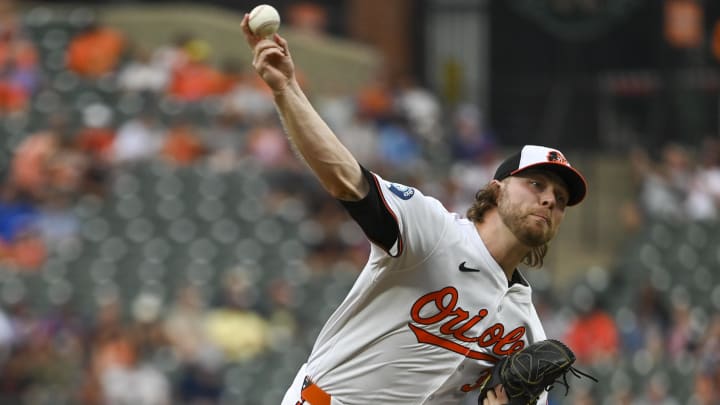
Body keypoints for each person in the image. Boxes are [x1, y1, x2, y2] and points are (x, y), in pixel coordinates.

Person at [241, 14, 588, 405]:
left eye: (560, 199)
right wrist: (287, 88)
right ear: (495, 191)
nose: (549, 200)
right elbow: (346, 179)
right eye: (536, 184)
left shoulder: (525, 329)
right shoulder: (433, 232)